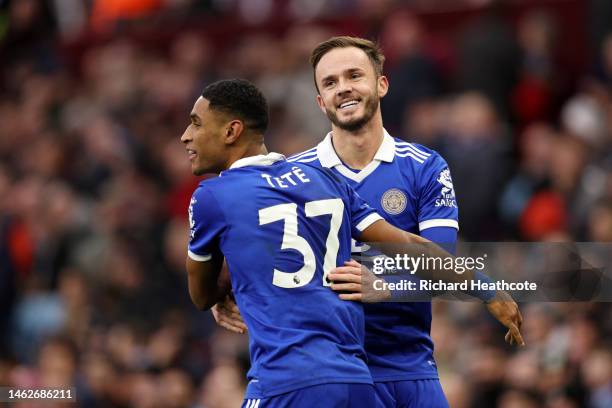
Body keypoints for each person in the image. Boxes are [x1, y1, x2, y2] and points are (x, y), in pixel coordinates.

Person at [210, 37, 523, 407]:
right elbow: (257, 254)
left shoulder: (424, 167)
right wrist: (225, 287)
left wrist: (388, 287)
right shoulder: (291, 176)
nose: (342, 88)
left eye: (354, 75)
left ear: (381, 84)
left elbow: (440, 263)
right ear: (320, 101)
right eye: (329, 82)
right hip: (320, 370)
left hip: (405, 368)